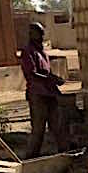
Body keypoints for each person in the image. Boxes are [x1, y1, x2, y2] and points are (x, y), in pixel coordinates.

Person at [19, 21, 65, 158]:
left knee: (57, 124)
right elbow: (32, 74)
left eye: (42, 33)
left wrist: (55, 79)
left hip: (50, 92)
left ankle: (63, 153)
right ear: (32, 34)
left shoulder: (42, 52)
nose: (41, 36)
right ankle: (32, 157)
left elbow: (47, 72)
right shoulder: (28, 52)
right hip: (37, 93)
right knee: (39, 128)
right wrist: (52, 79)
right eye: (39, 33)